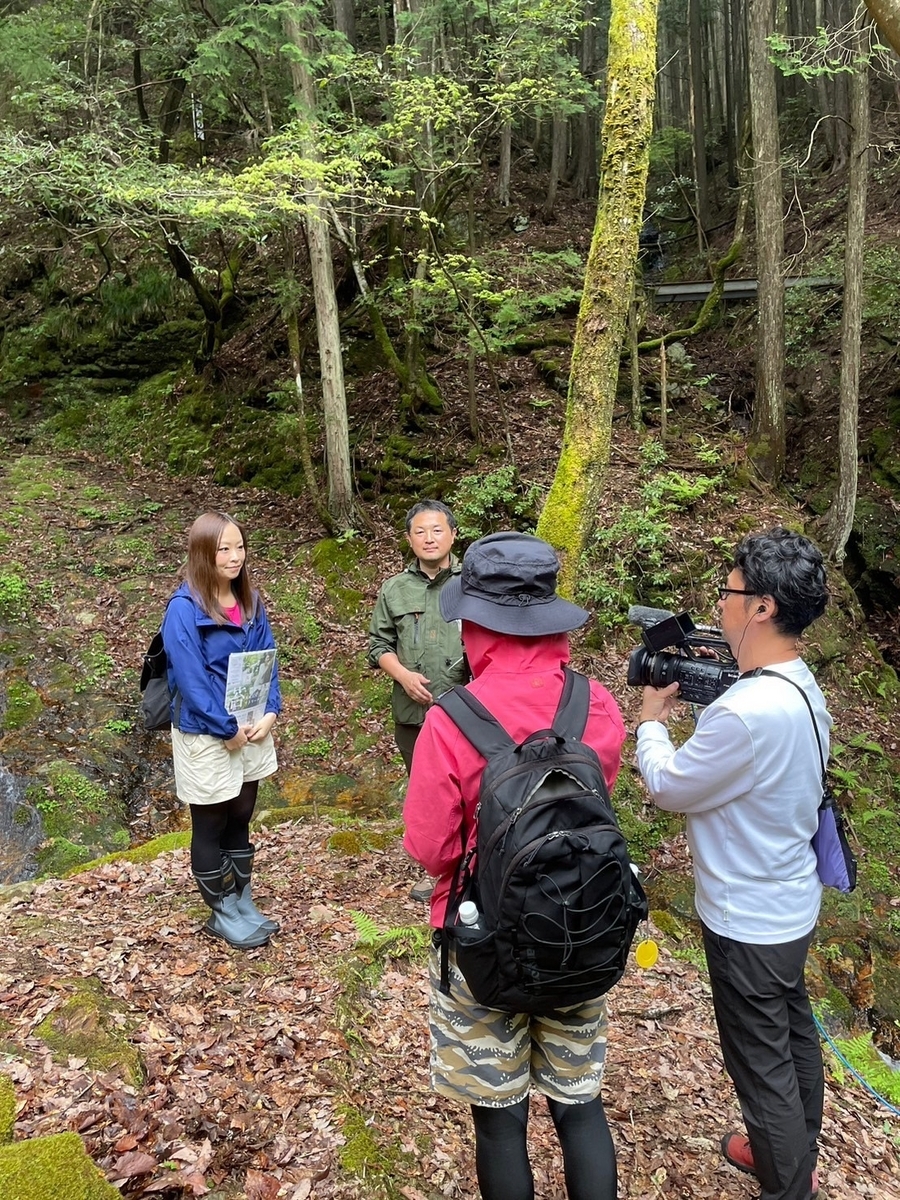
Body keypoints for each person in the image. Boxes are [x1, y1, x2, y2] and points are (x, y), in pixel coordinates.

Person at [403, 531, 626, 1200]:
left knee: (500, 1123)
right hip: (582, 930)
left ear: (474, 623)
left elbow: (432, 849)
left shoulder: (452, 720)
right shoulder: (595, 704)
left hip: (483, 947)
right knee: (579, 1106)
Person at [635, 527, 830, 1200]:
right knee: (792, 1035)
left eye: (730, 591)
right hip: (790, 902)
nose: (720, 603)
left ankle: (787, 1182)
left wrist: (652, 721)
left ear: (763, 608)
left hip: (746, 917)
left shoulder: (745, 712)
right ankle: (794, 1153)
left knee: (760, 1065)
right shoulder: (799, 685)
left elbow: (669, 787)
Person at [162, 511, 282, 950]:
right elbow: (190, 679)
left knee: (242, 812)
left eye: (240, 547)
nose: (235, 557)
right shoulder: (183, 609)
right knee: (211, 819)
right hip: (205, 731)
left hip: (251, 725)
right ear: (203, 554)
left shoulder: (250, 601)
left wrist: (271, 711)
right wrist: (224, 727)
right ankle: (221, 910)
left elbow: (268, 661)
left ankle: (241, 898)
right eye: (223, 549)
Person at [368, 500, 467, 901]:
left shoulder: (472, 584)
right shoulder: (394, 589)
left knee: (471, 789)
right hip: (413, 712)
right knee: (426, 792)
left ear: (453, 535)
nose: (429, 538)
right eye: (420, 532)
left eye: (437, 530)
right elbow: (378, 645)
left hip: (466, 710)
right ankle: (435, 870)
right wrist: (403, 676)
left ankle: (474, 865)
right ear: (409, 540)